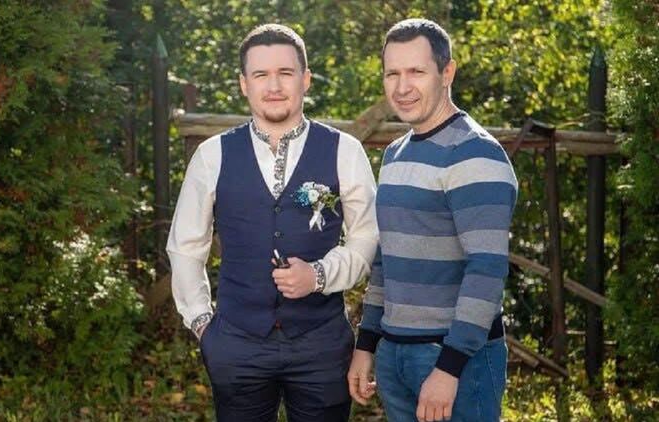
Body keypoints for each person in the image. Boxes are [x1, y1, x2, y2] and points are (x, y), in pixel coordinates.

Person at [167, 23, 378, 422]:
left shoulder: (344, 151)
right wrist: (202, 324)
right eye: (261, 74)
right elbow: (185, 247)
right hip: (237, 344)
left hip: (321, 344)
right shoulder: (212, 155)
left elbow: (367, 236)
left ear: (306, 79)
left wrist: (319, 275)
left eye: (285, 73)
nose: (274, 86)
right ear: (244, 84)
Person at [348, 18, 518, 422]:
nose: (402, 86)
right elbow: (386, 259)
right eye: (392, 73)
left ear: (447, 72)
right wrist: (367, 343)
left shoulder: (475, 153)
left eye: (416, 72)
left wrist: (449, 367)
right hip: (395, 354)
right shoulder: (395, 154)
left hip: (455, 360)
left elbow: (487, 269)